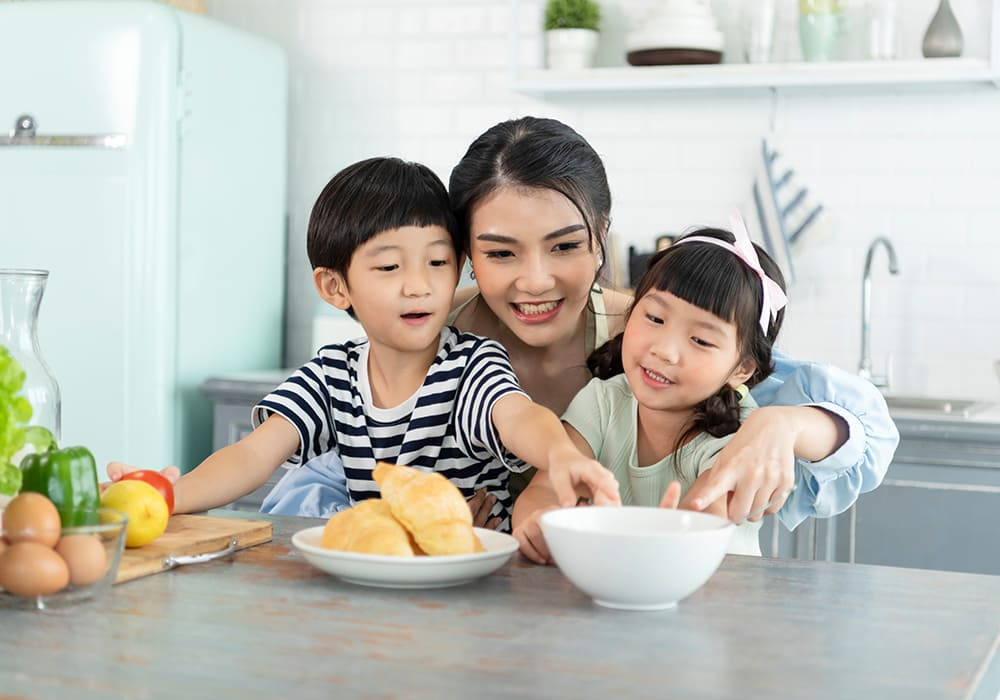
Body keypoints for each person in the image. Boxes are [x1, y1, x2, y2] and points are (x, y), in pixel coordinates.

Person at [107, 157, 620, 526]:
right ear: (336, 287)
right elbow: (250, 456)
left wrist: (560, 456)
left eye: (437, 263)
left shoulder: (470, 364)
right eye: (390, 266)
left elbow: (518, 416)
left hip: (473, 580)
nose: (418, 284)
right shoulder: (332, 375)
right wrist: (166, 494)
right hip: (378, 576)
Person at [446, 115, 899, 531]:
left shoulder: (645, 329)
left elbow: (868, 433)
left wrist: (782, 426)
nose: (536, 281)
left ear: (601, 235)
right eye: (501, 253)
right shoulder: (433, 334)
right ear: (467, 252)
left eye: (564, 246)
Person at [513, 218, 841, 561]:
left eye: (700, 340)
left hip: (720, 603)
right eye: (655, 318)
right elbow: (547, 486)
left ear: (741, 369)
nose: (664, 350)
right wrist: (539, 523)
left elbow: (698, 530)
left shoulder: (739, 437)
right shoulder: (604, 400)